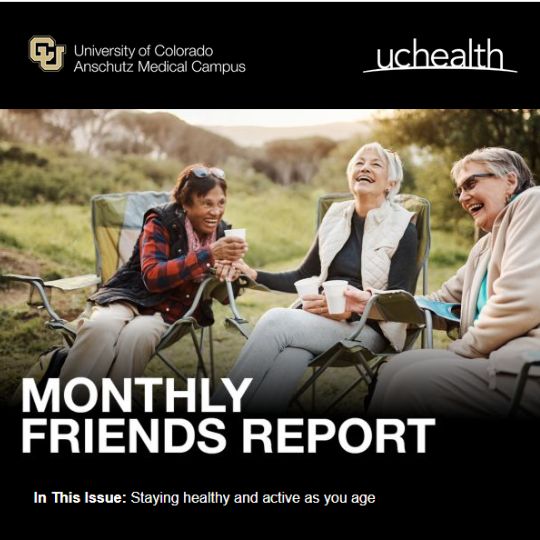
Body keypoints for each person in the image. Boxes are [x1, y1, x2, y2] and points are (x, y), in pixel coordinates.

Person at [212, 142, 418, 413]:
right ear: (350, 174)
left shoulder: (403, 226)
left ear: (390, 183)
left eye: (375, 164)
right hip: (318, 322)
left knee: (276, 321)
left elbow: (400, 302)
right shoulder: (335, 216)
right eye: (359, 162)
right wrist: (253, 274)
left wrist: (353, 310)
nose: (365, 167)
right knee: (291, 357)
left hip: (369, 330)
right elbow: (304, 275)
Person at [347, 147, 540, 418]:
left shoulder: (533, 204)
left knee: (409, 384)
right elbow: (438, 302)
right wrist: (371, 301)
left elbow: (520, 300)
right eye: (458, 190)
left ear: (510, 181)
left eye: (471, 183)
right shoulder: (485, 247)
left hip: (527, 366)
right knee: (392, 370)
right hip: (496, 361)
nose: (463, 196)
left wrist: (464, 348)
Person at [59, 164, 247, 391]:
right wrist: (209, 254)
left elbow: (226, 298)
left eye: (221, 203)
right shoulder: (160, 220)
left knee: (137, 337)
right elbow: (153, 276)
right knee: (100, 327)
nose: (216, 212)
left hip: (172, 309)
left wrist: (233, 274)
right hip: (131, 295)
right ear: (185, 204)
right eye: (207, 203)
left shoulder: (223, 233)